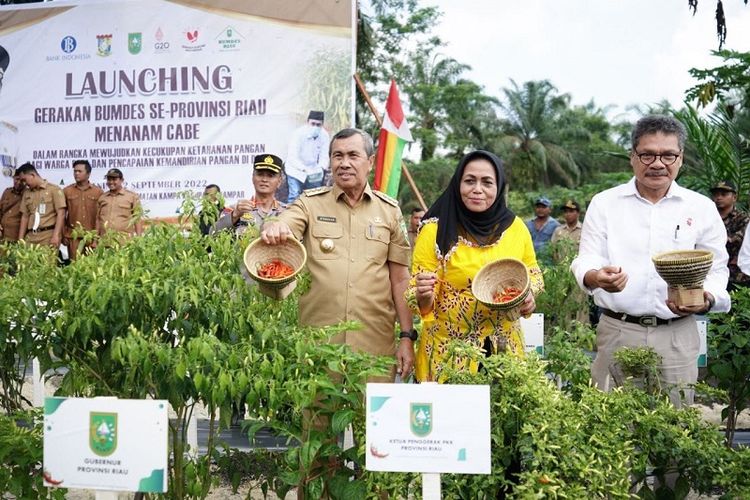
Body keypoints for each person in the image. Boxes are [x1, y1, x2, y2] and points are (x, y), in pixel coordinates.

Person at [571, 114, 730, 407]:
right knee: (612, 431)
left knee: (673, 431)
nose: (657, 163)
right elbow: (587, 257)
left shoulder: (701, 208)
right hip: (618, 332)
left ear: (680, 158)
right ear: (632, 157)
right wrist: (595, 276)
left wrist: (706, 298)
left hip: (677, 336)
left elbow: (717, 269)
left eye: (668, 155)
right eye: (647, 154)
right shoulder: (605, 203)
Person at [261, 128, 414, 379]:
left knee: (372, 415)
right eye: (337, 156)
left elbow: (400, 280)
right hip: (319, 343)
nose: (344, 163)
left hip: (374, 342)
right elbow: (285, 221)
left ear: (370, 162)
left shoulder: (389, 211)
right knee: (317, 415)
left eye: (353, 155)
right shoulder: (310, 203)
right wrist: (274, 226)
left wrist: (407, 336)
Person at [408, 150, 543, 382]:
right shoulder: (435, 230)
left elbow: (533, 272)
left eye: (487, 182)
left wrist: (530, 294)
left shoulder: (516, 228)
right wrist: (423, 294)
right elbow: (417, 296)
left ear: (499, 187)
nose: (477, 189)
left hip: (504, 351)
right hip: (449, 354)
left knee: (502, 415)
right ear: (458, 183)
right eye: (470, 181)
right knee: (450, 417)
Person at [214, 154, 287, 237]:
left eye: (270, 176)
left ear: (279, 181)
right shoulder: (236, 209)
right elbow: (212, 234)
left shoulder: (288, 212)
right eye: (260, 174)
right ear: (253, 177)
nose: (264, 180)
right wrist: (235, 215)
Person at [710, 180, 750, 290]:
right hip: (711, 273)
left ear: (734, 197)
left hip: (737, 275)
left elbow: (738, 239)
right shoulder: (708, 217)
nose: (718, 198)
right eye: (716, 194)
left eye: (724, 194)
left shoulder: (743, 219)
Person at [17, 162, 66, 248]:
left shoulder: (54, 189)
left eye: (24, 180)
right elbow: (25, 216)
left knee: (47, 262)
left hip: (48, 236)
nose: (24, 183)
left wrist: (56, 235)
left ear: (32, 175)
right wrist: (20, 239)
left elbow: (61, 214)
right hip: (31, 237)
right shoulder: (27, 193)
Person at [285, 110, 330, 204]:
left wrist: (321, 168)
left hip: (313, 170)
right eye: (313, 123)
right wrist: (304, 169)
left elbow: (324, 156)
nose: (315, 127)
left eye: (318, 125)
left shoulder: (324, 135)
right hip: (295, 170)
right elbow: (292, 157)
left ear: (322, 125)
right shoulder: (298, 134)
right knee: (295, 195)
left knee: (314, 198)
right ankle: (291, 218)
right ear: (307, 122)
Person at [63, 160, 103, 259]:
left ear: (88, 174)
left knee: (92, 267)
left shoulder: (98, 192)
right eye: (75, 171)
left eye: (80, 171)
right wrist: (63, 234)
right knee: (75, 267)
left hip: (91, 236)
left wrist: (97, 238)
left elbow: (101, 217)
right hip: (74, 237)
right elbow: (61, 215)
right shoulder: (67, 191)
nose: (76, 174)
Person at [96, 168, 143, 241]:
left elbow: (137, 219)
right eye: (109, 179)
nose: (111, 182)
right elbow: (98, 220)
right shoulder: (102, 198)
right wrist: (95, 240)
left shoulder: (132, 197)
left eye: (114, 179)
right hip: (105, 242)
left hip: (124, 242)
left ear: (122, 180)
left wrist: (139, 239)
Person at [0, 168, 24, 242]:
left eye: (22, 180)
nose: (19, 182)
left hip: (16, 237)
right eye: (17, 179)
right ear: (13, 178)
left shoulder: (27, 194)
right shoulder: (7, 192)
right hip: (2, 236)